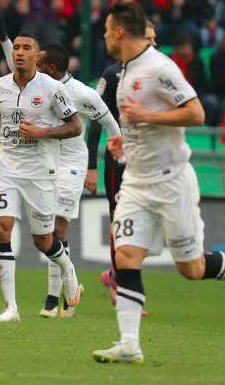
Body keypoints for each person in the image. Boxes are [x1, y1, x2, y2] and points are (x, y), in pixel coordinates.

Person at [92, 2, 225, 364]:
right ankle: (129, 344)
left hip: (172, 183)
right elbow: (140, 124)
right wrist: (125, 140)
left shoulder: (160, 67)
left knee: (190, 268)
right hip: (137, 183)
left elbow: (196, 112)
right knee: (126, 255)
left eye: (108, 30)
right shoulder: (125, 71)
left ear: (122, 31)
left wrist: (147, 115)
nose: (105, 36)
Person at [0, 29, 121, 318]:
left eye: (37, 60)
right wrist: (4, 40)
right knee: (47, 232)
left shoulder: (81, 93)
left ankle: (54, 298)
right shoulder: (39, 85)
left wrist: (111, 153)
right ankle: (64, 287)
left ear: (50, 68)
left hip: (71, 163)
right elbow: (15, 65)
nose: (30, 63)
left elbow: (107, 119)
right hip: (44, 161)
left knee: (58, 229)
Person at [0, 32, 82, 322]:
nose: (19, 52)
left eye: (26, 48)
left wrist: (43, 132)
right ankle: (11, 307)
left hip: (40, 172)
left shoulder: (54, 89)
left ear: (37, 55)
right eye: (16, 47)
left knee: (43, 241)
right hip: (6, 168)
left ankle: (68, 269)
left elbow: (76, 127)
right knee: (1, 229)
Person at [88, 20, 156, 309]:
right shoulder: (111, 74)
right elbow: (95, 120)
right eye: (148, 38)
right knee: (120, 220)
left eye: (156, 38)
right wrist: (91, 165)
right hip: (117, 161)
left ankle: (115, 275)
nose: (153, 44)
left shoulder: (157, 75)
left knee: (138, 221)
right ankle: (120, 283)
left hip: (144, 159)